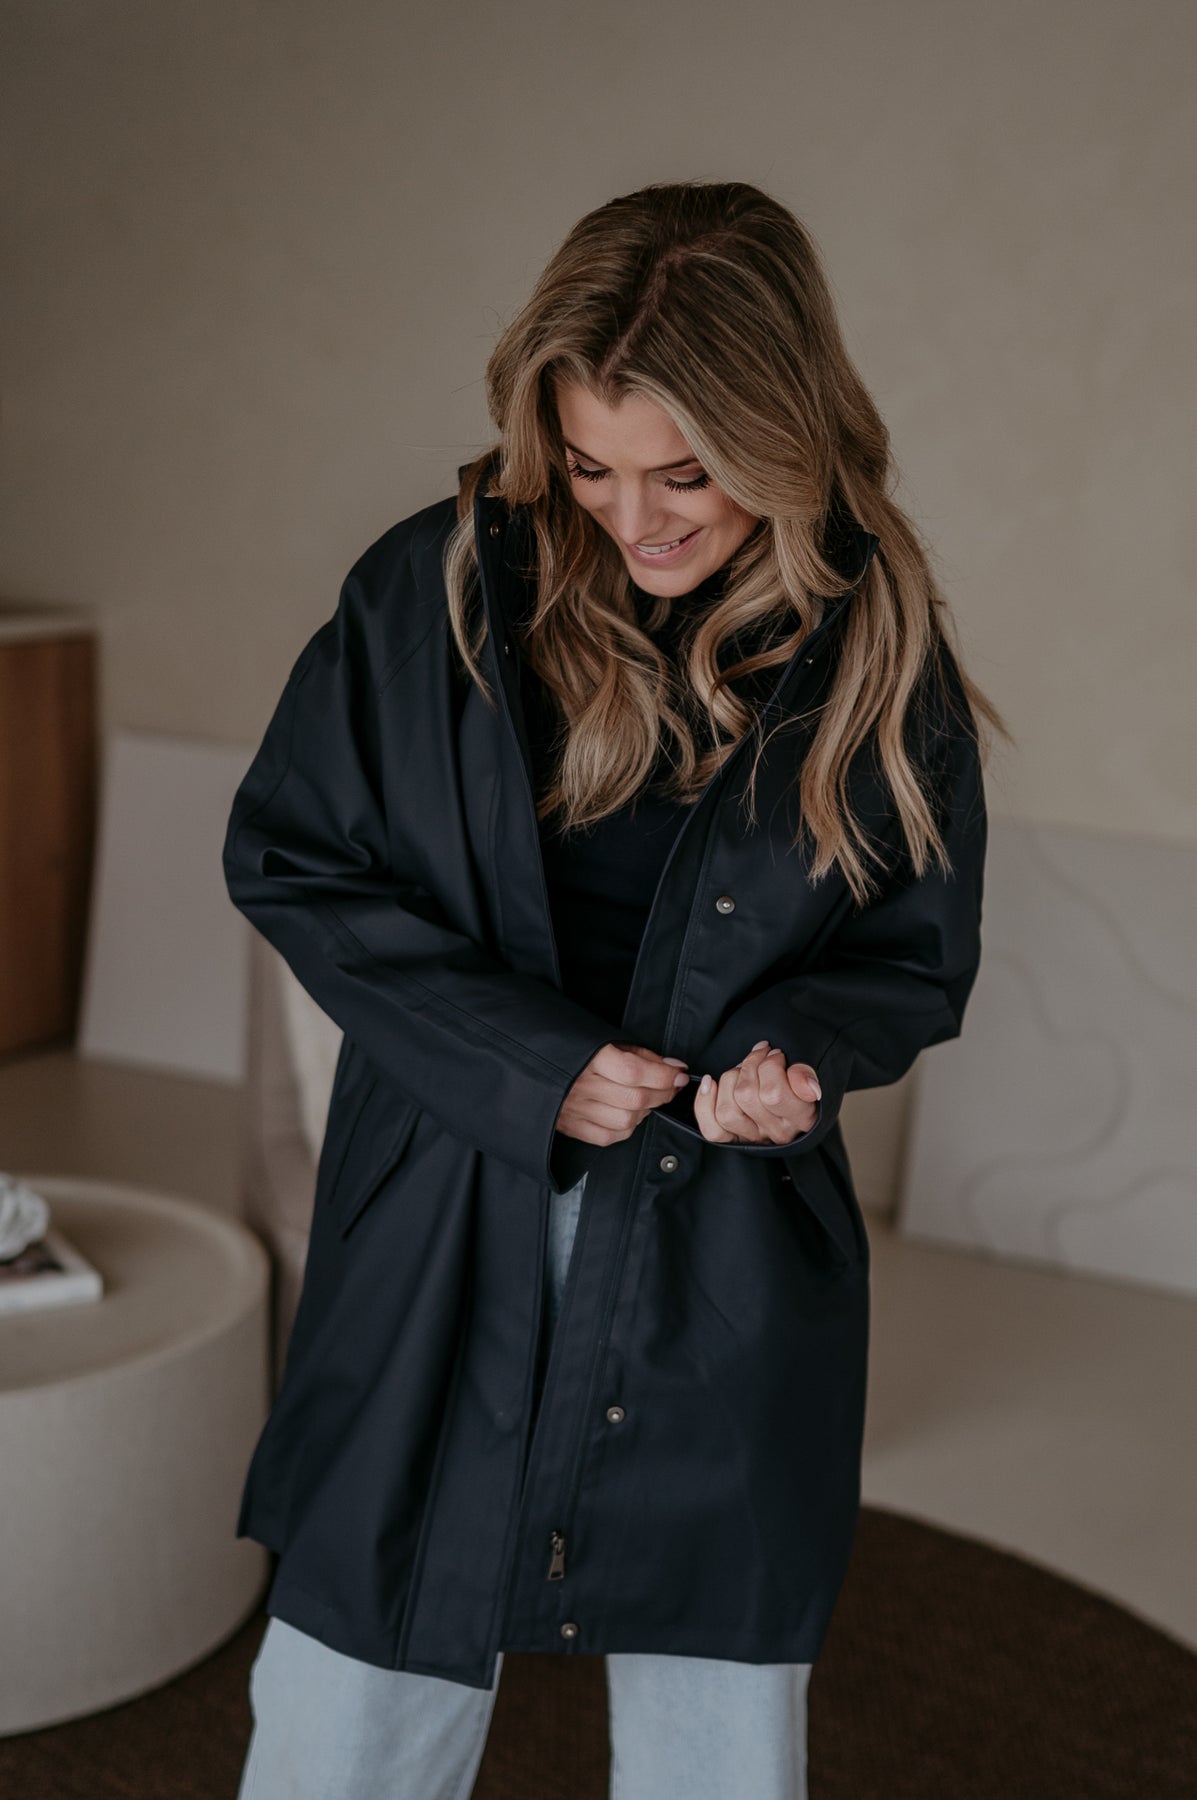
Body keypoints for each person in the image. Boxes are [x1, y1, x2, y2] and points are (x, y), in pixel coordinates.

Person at [227, 179, 1003, 1799]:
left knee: (717, 1726)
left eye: (684, 474)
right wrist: (530, 1066)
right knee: (348, 1708)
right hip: (448, 1198)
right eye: (588, 467)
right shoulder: (435, 589)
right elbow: (292, 859)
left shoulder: (875, 643)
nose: (632, 520)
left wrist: (797, 1054)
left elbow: (909, 953)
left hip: (723, 1233)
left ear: (781, 435)